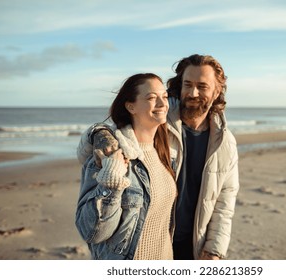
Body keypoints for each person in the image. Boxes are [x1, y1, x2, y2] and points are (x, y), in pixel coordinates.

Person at [77, 54, 240, 260]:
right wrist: (100, 134)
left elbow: (225, 201)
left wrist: (215, 249)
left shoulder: (225, 143)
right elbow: (117, 130)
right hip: (148, 242)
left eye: (202, 86)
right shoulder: (162, 121)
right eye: (187, 84)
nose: (193, 92)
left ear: (217, 91)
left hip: (193, 247)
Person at [75, 73, 177, 260]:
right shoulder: (109, 155)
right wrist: (111, 183)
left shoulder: (167, 156)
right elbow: (92, 232)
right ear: (131, 106)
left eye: (164, 97)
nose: (162, 104)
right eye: (152, 98)